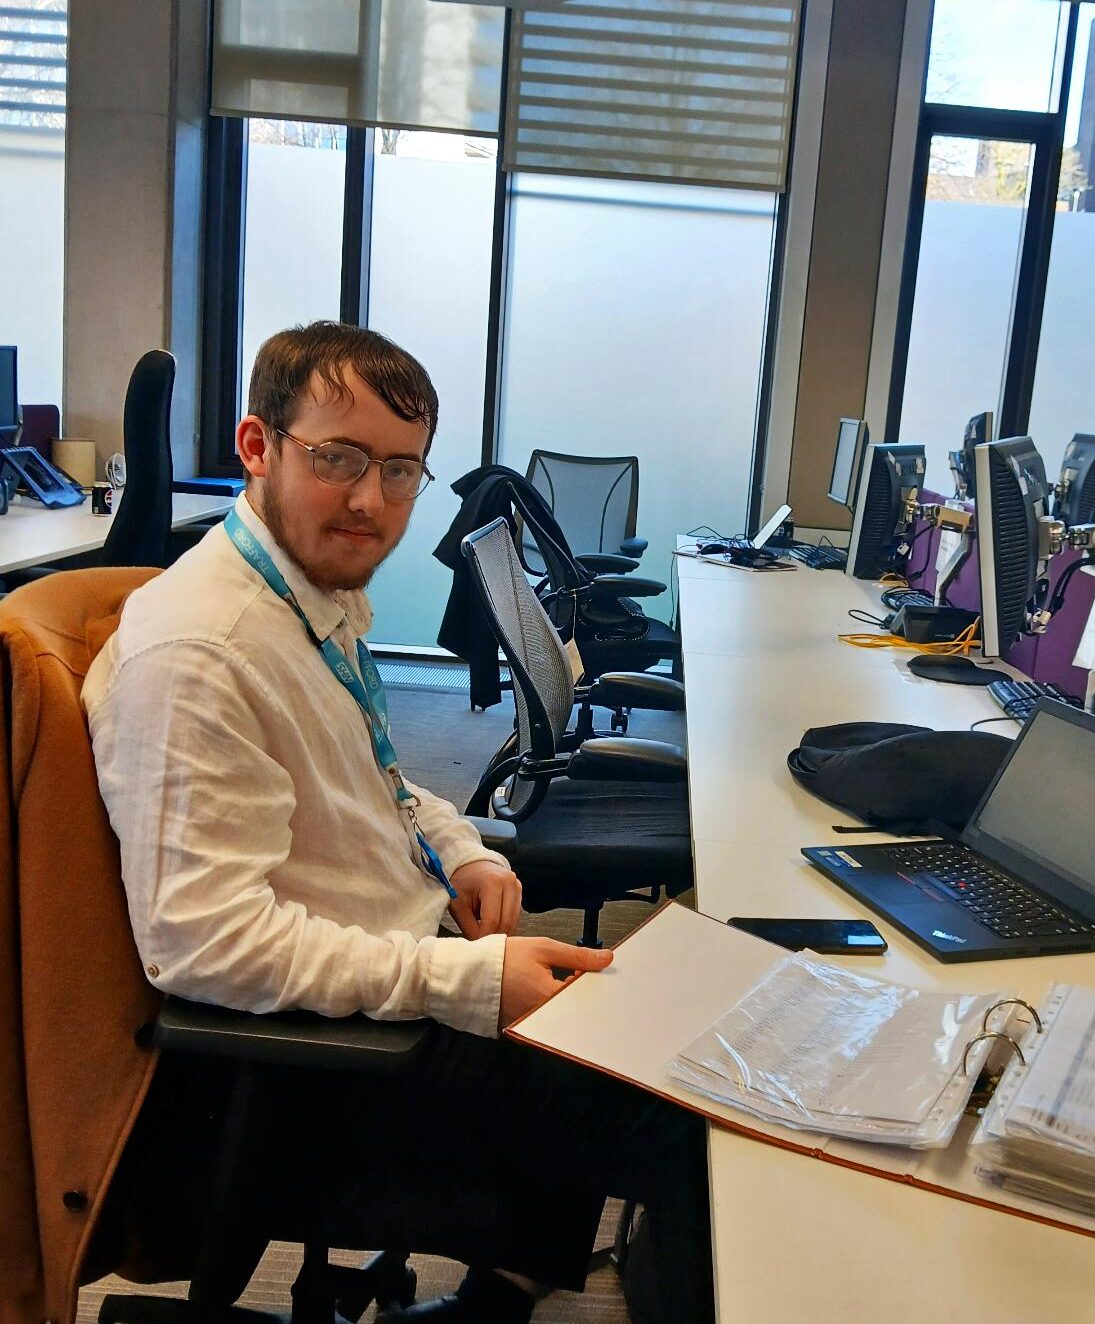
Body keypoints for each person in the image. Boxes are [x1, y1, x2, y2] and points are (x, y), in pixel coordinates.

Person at [83, 322, 712, 1324]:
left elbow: (368, 777)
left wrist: (457, 847)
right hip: (321, 1067)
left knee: (661, 1021)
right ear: (258, 445)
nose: (370, 500)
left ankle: (500, 1292)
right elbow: (200, 944)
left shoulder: (297, 595)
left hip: (399, 960)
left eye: (400, 468)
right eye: (336, 458)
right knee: (689, 1122)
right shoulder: (203, 650)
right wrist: (462, 983)